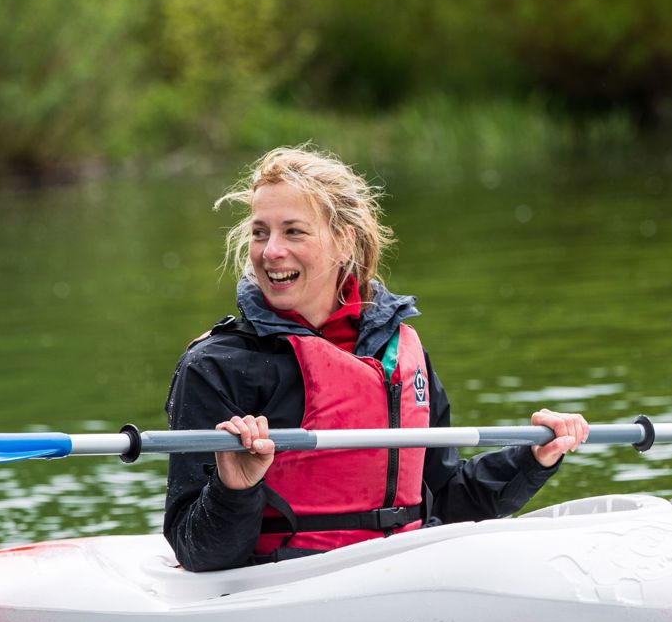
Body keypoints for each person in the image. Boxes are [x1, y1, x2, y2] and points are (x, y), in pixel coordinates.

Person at [164, 146, 589, 571]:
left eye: (294, 232)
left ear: (344, 241)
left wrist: (533, 457)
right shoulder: (216, 365)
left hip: (402, 574)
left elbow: (445, 500)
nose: (271, 251)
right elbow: (198, 553)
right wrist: (234, 487)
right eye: (260, 232)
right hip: (285, 585)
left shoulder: (398, 350)